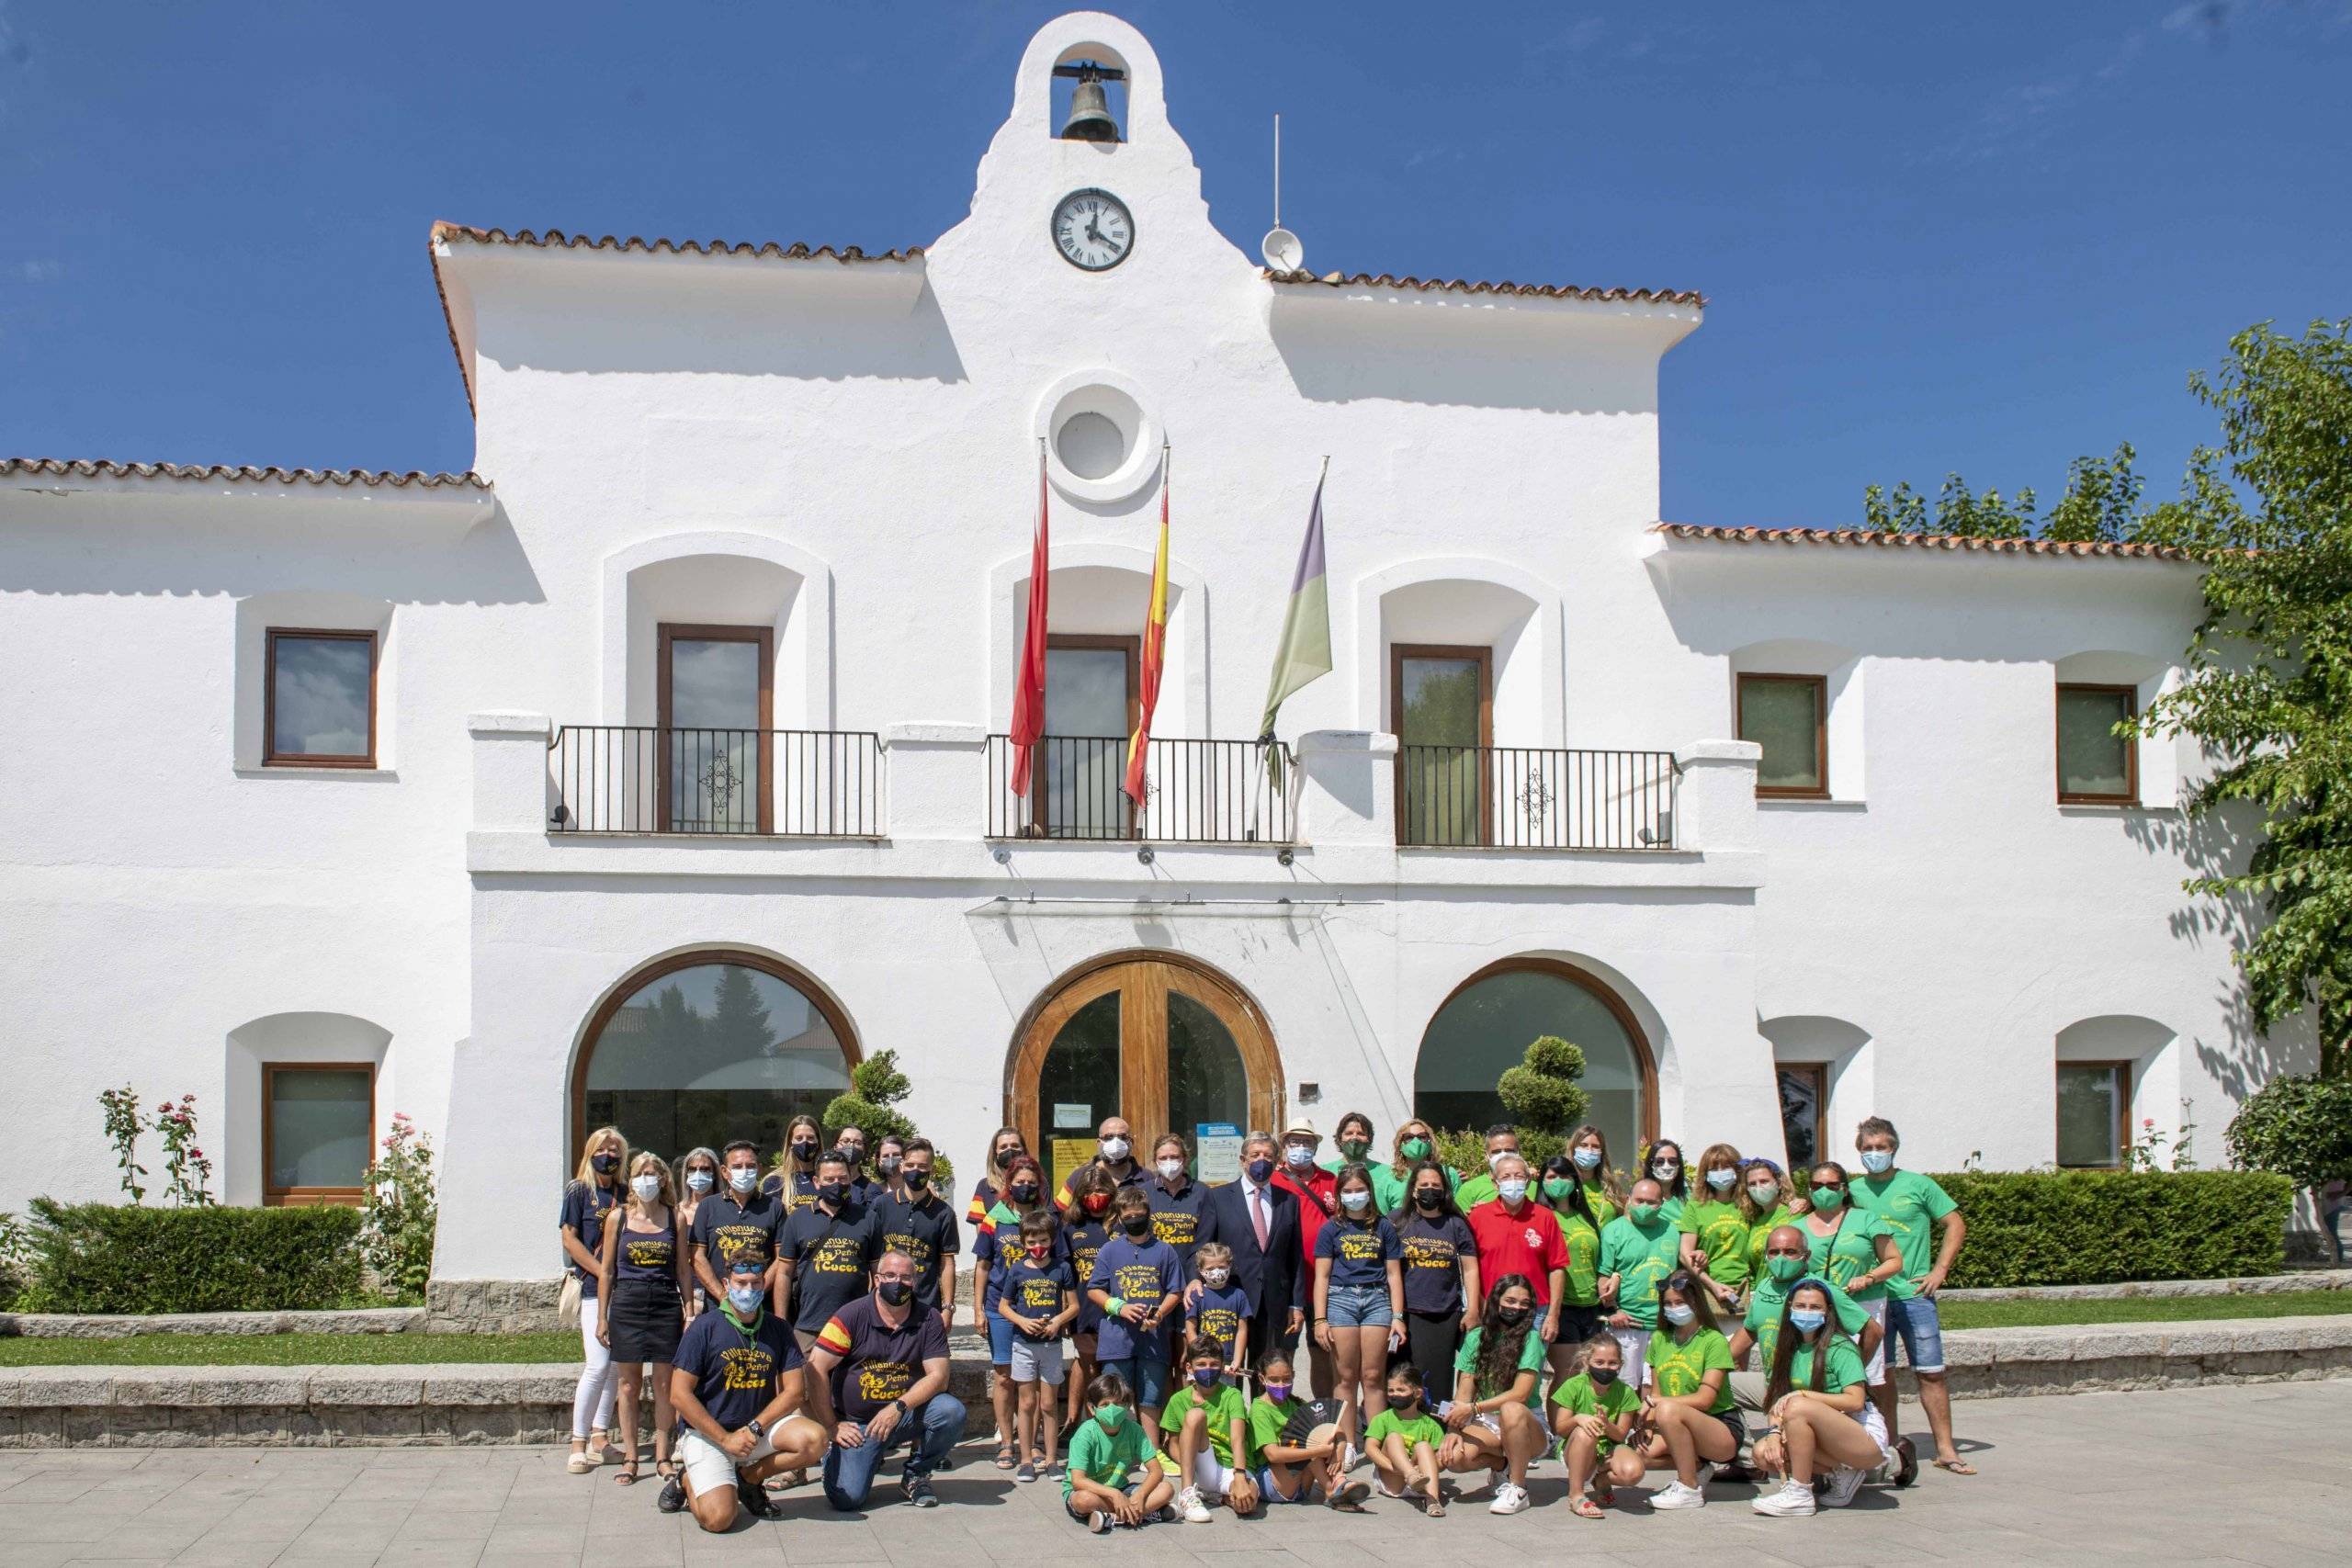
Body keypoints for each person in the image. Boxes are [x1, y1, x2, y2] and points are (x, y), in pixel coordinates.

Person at [660, 1252, 827, 1531]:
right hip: (710, 1434)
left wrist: (755, 1427)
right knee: (718, 1519)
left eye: (755, 1283)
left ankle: (748, 1479)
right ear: (727, 1284)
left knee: (815, 1439)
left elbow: (795, 1391)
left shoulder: (778, 1329)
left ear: (764, 1284)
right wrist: (724, 1439)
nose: (748, 1290)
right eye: (741, 1283)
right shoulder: (704, 1328)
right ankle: (686, 1480)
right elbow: (679, 1394)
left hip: (756, 1431)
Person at [1849, 1117, 1973, 1475]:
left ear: (1894, 1148)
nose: (1875, 1154)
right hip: (1872, 1297)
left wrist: (1940, 1270)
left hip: (1914, 1294)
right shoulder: (1853, 1190)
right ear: (1859, 1151)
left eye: (1881, 1147)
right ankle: (1889, 1446)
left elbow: (1955, 1223)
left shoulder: (1918, 1185)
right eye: (1868, 1148)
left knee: (1931, 1372)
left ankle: (1946, 1449)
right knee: (1881, 1374)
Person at [804, 1249, 964, 1511]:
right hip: (857, 1424)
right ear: (876, 1280)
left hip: (902, 1415)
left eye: (904, 1277)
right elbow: (815, 1368)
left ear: (915, 1281)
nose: (897, 1283)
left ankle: (916, 1474)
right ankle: (835, 1457)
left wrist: (897, 1407)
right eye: (889, 1275)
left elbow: (939, 1376)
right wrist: (831, 1425)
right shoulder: (849, 1315)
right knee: (848, 1499)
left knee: (950, 1411)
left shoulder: (929, 1318)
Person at [1750, 1278, 1897, 1516]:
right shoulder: (1789, 1348)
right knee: (1762, 1453)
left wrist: (1804, 1394)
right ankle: (1841, 1472)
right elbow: (1777, 1398)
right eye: (1800, 1306)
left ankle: (1800, 1494)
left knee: (1797, 1406)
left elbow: (1855, 1400)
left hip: (1861, 1436)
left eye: (1815, 1307)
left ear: (1828, 1311)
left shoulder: (1840, 1347)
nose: (1806, 1312)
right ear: (1789, 1308)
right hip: (1823, 1435)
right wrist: (1775, 1433)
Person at [596, 1151, 692, 1487]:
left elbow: (683, 1268)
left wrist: (689, 1311)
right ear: (631, 1179)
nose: (646, 1179)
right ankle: (631, 1456)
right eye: (640, 1173)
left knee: (666, 1384)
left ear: (664, 1179)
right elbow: (607, 1271)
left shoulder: (674, 1217)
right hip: (627, 1305)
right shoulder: (616, 1219)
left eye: (653, 1173)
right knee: (628, 1384)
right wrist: (602, 1317)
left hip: (665, 1304)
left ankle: (664, 1455)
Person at [1729, 1226, 1880, 1423]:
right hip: (1773, 1384)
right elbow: (1749, 1331)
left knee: (1787, 1443)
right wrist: (1712, 1364)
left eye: (1790, 1252)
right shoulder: (1765, 1287)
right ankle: (1740, 1446)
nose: (1781, 1258)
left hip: (1810, 1390)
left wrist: (1850, 1373)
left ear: (1806, 1256)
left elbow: (1873, 1331)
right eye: (1774, 1252)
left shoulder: (1818, 1290)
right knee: (1713, 1384)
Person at [1627, 1269, 1739, 1510]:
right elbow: (1656, 1393)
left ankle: (1688, 1487)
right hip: (1673, 1421)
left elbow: (1706, 1399)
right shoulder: (1659, 1338)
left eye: (1680, 1302)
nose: (1673, 1307)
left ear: (1696, 1302)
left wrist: (1657, 1404)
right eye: (1668, 1303)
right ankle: (1698, 1468)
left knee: (1667, 1408)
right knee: (1637, 1453)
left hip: (1718, 1428)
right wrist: (1647, 1425)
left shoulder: (1713, 1340)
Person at [1438, 1274, 1548, 1516]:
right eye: (1510, 1300)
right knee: (1453, 1458)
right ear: (1496, 1300)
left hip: (1526, 1422)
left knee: (1511, 1408)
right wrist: (1454, 1429)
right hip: (1488, 1421)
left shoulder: (1531, 1338)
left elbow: (1520, 1394)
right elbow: (1465, 1389)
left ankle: (1518, 1489)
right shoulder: (1476, 1336)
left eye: (1524, 1303)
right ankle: (1503, 1465)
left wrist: (1474, 1410)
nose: (1516, 1307)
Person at [975, 1152, 1058, 1469]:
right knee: (1004, 1376)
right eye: (1019, 1182)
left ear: (1039, 1186)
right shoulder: (994, 1217)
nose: (1025, 1186)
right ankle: (1007, 1444)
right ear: (1009, 1184)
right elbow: (983, 1265)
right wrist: (980, 1310)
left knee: (1033, 1380)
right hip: (1001, 1308)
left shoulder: (1047, 1218)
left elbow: (1059, 1264)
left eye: (1031, 1182)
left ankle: (1032, 1442)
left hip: (1039, 1310)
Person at [1194, 1131, 1307, 1362]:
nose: (1261, 1161)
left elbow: (1295, 1258)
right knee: (1226, 1370)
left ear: (1276, 1162)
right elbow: (1203, 1245)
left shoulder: (1289, 1201)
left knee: (1265, 1371)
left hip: (1272, 1301)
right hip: (1227, 1298)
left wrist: (1296, 1304)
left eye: (1268, 1156)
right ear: (1243, 1159)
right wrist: (1195, 1280)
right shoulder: (1218, 1197)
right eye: (1255, 1155)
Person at [1313, 1161, 1405, 1445]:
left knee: (1373, 1376)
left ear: (1370, 1191)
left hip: (1377, 1299)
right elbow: (1322, 1276)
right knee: (1345, 1376)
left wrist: (1398, 1316)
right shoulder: (1331, 1229)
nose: (1355, 1195)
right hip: (1341, 1300)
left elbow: (1393, 1274)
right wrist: (1320, 1319)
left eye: (1360, 1189)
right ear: (1340, 1195)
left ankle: (1377, 1445)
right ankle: (1347, 1443)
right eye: (1348, 1191)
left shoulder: (1384, 1227)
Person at [1799, 1161, 1904, 1405]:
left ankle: (1877, 1435)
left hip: (1862, 1306)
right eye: (1817, 1185)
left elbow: (1894, 1261)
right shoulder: (1797, 1226)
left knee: (1864, 1376)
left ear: (1844, 1189)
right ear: (1810, 1190)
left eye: (1832, 1185)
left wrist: (1869, 1278)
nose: (1824, 1190)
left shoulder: (1866, 1219)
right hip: (1817, 1310)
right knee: (1821, 1372)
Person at [1087, 1186, 1183, 1450]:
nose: (1134, 1220)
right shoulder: (1109, 1250)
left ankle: (1150, 1454)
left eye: (1139, 1215)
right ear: (1119, 1217)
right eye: (1128, 1217)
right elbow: (1094, 1289)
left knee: (1150, 1398)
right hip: (1117, 1337)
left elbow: (1175, 1290)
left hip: (1153, 1337)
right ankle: (1114, 1452)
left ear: (1149, 1214)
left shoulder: (1165, 1251)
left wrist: (1160, 1313)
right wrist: (1118, 1307)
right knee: (1114, 1399)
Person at [1464, 1154, 1568, 1385]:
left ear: (1529, 1181)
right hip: (1490, 1308)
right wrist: (1476, 1307)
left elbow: (1557, 1267)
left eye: (1519, 1176)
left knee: (1529, 1376)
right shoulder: (1478, 1217)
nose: (1513, 1181)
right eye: (1506, 1176)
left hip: (1534, 1311)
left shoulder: (1545, 1217)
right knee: (1488, 1371)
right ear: (1495, 1182)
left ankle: (1525, 1419)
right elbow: (1469, 1268)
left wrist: (1553, 1314)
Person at [560, 1126, 626, 1474]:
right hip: (591, 1289)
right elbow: (569, 1240)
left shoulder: (625, 1193)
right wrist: (602, 1273)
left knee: (615, 1366)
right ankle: (578, 1441)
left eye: (615, 1150)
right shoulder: (578, 1191)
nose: (609, 1156)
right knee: (597, 1364)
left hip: (623, 1292)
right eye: (603, 1149)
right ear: (590, 1152)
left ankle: (601, 1436)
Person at [777, 1151, 885, 1348]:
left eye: (842, 1178)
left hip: (855, 1325)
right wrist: (781, 1321)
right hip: (808, 1325)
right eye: (830, 1179)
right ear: (817, 1182)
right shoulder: (798, 1219)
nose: (837, 1184)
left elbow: (878, 1272)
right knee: (808, 1377)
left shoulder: (868, 1218)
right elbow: (784, 1273)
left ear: (850, 1180)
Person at [1001, 1209, 1079, 1483]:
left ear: (1052, 1240)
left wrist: (1058, 1320)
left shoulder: (1062, 1268)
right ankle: (1025, 1459)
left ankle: (1051, 1459)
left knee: (1048, 1402)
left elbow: (1074, 1305)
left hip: (1051, 1344)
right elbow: (1004, 1306)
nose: (1038, 1247)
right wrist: (1022, 1321)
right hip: (1023, 1343)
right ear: (1023, 1243)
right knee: (1026, 1402)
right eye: (1032, 1242)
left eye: (1043, 1241)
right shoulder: (1017, 1269)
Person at [1392, 1160, 1479, 1405]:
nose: (1430, 1189)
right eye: (1424, 1184)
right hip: (1407, 1315)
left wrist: (1473, 1310)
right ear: (1413, 1189)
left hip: (1445, 1314)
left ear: (1445, 1190)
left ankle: (1436, 1431)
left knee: (1437, 1383)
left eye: (1436, 1185)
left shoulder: (1456, 1224)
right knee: (1404, 1380)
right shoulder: (1397, 1221)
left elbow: (1470, 1268)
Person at [1271, 1118, 1339, 1398]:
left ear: (1316, 1146)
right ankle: (1281, 1411)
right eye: (1295, 1142)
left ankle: (1322, 1411)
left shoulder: (1330, 1181)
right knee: (1283, 1352)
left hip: (1324, 1283)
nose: (1301, 1147)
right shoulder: (1273, 1179)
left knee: (1321, 1349)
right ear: (1285, 1146)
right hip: (1288, 1282)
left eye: (1307, 1142)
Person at [1596, 1177, 1682, 1386]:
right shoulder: (1613, 1230)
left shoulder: (1672, 1231)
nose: (1645, 1207)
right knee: (1624, 1389)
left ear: (1661, 1204)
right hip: (1627, 1326)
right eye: (1639, 1201)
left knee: (1655, 1389)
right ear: (1628, 1200)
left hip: (1663, 1326)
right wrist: (1613, 1311)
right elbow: (1603, 1276)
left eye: (1651, 1202)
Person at [1064, 1371, 1174, 1532]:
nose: (1112, 1409)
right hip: (1091, 1492)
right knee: (1083, 1500)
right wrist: (1114, 1495)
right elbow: (1078, 1481)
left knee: (1167, 1489)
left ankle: (1113, 1518)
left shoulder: (1134, 1430)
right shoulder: (1085, 1433)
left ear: (1127, 1405)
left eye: (1117, 1404)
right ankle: (1141, 1514)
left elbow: (1156, 1471)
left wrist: (1141, 1494)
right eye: (1105, 1404)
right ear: (1092, 1408)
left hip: (1123, 1489)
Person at [1163, 1336, 1260, 1520]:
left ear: (1222, 1366)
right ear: (1190, 1368)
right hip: (1201, 1465)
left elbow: (1238, 1439)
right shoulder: (1178, 1400)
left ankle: (1215, 1496)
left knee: (1248, 1504)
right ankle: (1187, 1493)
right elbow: (1173, 1444)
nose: (1208, 1369)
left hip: (1233, 1465)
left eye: (1214, 1364)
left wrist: (1239, 1477)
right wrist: (1189, 1467)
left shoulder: (1232, 1395)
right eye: (1201, 1364)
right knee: (1195, 1415)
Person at [1549, 1329, 1643, 1518]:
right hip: (1576, 1445)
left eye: (1612, 1363)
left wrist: (1606, 1424)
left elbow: (1621, 1435)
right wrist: (1578, 1419)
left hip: (1609, 1445)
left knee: (1633, 1473)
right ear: (1587, 1362)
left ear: (1620, 1365)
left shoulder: (1625, 1392)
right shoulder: (1573, 1385)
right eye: (1599, 1362)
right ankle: (1576, 1494)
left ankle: (1599, 1478)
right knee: (1587, 1431)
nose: (1605, 1368)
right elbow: (1560, 1428)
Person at [1244, 1348, 1351, 1506]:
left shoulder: (1296, 1404)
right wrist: (1319, 1451)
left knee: (1322, 1434)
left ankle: (1339, 1481)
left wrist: (1340, 1447)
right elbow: (1273, 1455)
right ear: (1262, 1378)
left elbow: (1334, 1425)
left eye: (1286, 1379)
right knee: (1310, 1442)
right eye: (1274, 1380)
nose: (1281, 1385)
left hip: (1300, 1485)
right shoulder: (1260, 1409)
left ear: (1293, 1375)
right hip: (1271, 1481)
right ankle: (1332, 1489)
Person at [690, 1140, 785, 1318]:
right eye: (737, 1166)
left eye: (750, 1166)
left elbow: (782, 1258)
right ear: (725, 1172)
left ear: (759, 1169)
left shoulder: (775, 1207)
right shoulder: (708, 1206)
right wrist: (723, 1296)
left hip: (761, 1308)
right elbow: (696, 1257)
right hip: (717, 1308)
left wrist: (755, 1293)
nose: (744, 1171)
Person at [1537, 1152, 1606, 1392]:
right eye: (1552, 1176)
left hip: (1590, 1305)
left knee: (1586, 1375)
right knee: (1568, 1372)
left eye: (1565, 1176)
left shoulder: (1584, 1216)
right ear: (1542, 1182)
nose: (1558, 1181)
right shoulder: (1543, 1217)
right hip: (1562, 1306)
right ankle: (1559, 1428)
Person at [876, 1136, 961, 1320]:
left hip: (926, 1307)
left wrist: (947, 1308)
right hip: (884, 1305)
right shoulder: (881, 1205)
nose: (916, 1171)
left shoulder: (944, 1213)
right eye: (911, 1165)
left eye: (922, 1166)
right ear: (901, 1167)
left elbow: (947, 1263)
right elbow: (871, 1257)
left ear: (932, 1169)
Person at [1060, 1167, 1115, 1442]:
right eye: (1090, 1192)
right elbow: (1065, 1271)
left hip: (1114, 1307)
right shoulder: (1071, 1227)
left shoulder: (1118, 1225)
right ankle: (1075, 1422)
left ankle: (1105, 1425)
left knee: (1108, 1367)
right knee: (1085, 1363)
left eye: (1102, 1191)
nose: (1096, 1196)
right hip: (1082, 1306)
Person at [1364, 1362, 1448, 1515]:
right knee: (1393, 1437)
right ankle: (1410, 1474)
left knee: (1424, 1446)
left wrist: (1419, 1469)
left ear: (1417, 1393)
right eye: (1391, 1390)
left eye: (1401, 1390)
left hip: (1422, 1482)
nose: (1394, 1394)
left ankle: (1432, 1500)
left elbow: (1441, 1462)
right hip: (1392, 1480)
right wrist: (1398, 1470)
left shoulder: (1430, 1424)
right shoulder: (1383, 1419)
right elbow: (1370, 1449)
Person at [1679, 1142, 1753, 1314]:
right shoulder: (1696, 1207)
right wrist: (1712, 1285)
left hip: (1746, 1287)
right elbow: (1684, 1254)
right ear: (1705, 1174)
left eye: (1727, 1167)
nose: (1721, 1173)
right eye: (1714, 1168)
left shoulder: (1749, 1204)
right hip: (1708, 1289)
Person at [1186, 1241, 1251, 1380]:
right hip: (1202, 1361)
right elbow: (1190, 1329)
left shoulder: (1238, 1295)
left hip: (1227, 1361)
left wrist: (1237, 1360)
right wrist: (1197, 1355)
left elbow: (1242, 1330)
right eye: (1210, 1269)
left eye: (1222, 1267)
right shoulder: (1197, 1295)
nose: (1217, 1272)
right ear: (1201, 1270)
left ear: (1229, 1266)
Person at [1145, 1133, 1207, 1276]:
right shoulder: (1144, 1193)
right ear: (1155, 1162)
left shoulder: (1202, 1192)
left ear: (1184, 1159)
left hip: (1191, 1275)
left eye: (1174, 1157)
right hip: (1153, 1275)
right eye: (1163, 1158)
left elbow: (1204, 1241)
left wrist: (1194, 1276)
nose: (1169, 1162)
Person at [672, 1146, 721, 1320]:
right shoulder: (675, 1212)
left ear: (716, 1173)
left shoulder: (724, 1211)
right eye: (693, 1169)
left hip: (715, 1291)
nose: (698, 1173)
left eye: (705, 1169)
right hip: (682, 1292)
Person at [1372, 1117, 1458, 1214]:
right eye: (1409, 1137)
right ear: (1400, 1144)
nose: (1416, 1141)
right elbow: (1383, 1221)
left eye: (1422, 1136)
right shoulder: (1388, 1181)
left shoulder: (1449, 1174)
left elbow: (1458, 1212)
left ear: (1430, 1142)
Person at [1056, 1115, 1145, 1207]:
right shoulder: (1079, 1176)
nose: (1116, 1142)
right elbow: (1057, 1213)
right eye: (1109, 1137)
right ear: (1098, 1143)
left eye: (1122, 1137)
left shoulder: (1146, 1177)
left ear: (1131, 1142)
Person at [1739, 1158, 1802, 1282]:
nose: (1758, 1187)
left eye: (1764, 1181)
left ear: (1778, 1183)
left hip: (1791, 1291)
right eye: (1752, 1184)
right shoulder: (1754, 1222)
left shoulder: (1795, 1213)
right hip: (1763, 1290)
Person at [969, 1125, 1028, 1226]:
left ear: (1024, 1150)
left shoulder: (1039, 1183)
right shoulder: (984, 1187)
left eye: (1015, 1145)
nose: (1010, 1150)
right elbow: (981, 1233)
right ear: (995, 1153)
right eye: (1003, 1147)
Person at [1453, 1124, 1521, 1210]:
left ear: (1519, 1153)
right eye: (1496, 1152)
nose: (1503, 1155)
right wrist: (1474, 1216)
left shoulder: (1534, 1187)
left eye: (1509, 1150)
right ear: (1486, 1156)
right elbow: (1457, 1222)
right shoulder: (1469, 1189)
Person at [1566, 1123, 1623, 1224]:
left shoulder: (1611, 1186)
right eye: (1583, 1145)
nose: (1589, 1150)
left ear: (1602, 1152)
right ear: (1573, 1148)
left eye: (1595, 1146)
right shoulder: (1565, 1183)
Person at [763, 1115, 822, 1213]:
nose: (805, 1142)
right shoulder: (775, 1182)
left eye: (810, 1138)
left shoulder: (828, 1179)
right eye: (799, 1138)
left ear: (818, 1142)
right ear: (791, 1143)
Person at [1640, 1139, 1690, 1227]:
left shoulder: (1690, 1197)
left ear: (1679, 1165)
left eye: (1672, 1161)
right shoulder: (1639, 1197)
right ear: (1651, 1164)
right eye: (1659, 1161)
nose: (1666, 1166)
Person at [1319, 1111, 1378, 1175]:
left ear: (1370, 1139)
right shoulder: (1324, 1173)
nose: (1355, 1137)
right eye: (1349, 1133)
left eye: (1361, 1134)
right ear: (1339, 1139)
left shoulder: (1387, 1173)